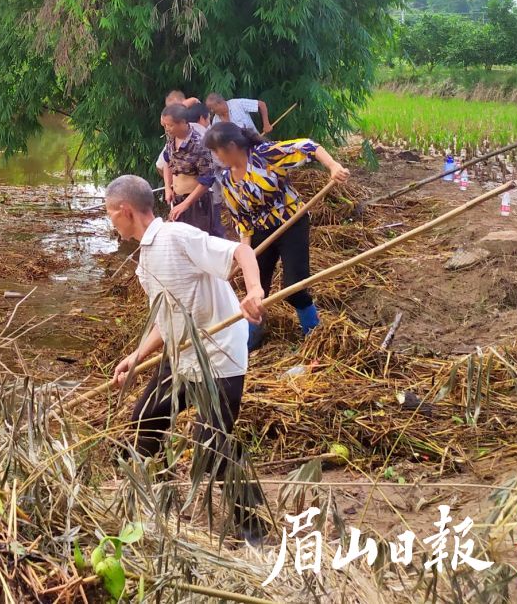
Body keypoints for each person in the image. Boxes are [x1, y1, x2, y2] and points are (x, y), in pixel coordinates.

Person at [104, 174, 267, 539]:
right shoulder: (145, 260)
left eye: (109, 215)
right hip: (182, 359)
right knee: (145, 420)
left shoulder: (176, 237)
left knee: (211, 447)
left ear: (124, 210)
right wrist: (137, 355)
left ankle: (252, 523)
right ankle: (157, 493)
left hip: (219, 357)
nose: (110, 222)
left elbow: (240, 252)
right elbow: (167, 319)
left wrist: (254, 291)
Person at [204, 123, 350, 349]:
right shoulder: (226, 179)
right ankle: (251, 337)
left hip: (291, 223)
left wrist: (333, 166)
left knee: (295, 286)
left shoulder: (265, 156)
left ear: (231, 146)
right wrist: (247, 253)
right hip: (259, 232)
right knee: (255, 288)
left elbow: (308, 146)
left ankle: (314, 333)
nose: (216, 156)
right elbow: (241, 219)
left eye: (217, 150)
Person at [160, 103, 223, 235]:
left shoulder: (199, 144)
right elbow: (167, 160)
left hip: (196, 203)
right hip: (177, 199)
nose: (167, 129)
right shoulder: (171, 138)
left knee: (197, 241)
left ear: (183, 122)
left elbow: (207, 179)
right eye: (165, 125)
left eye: (170, 125)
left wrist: (186, 204)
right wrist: (167, 187)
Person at [205, 93, 272, 135]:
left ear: (220, 103)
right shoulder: (215, 121)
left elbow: (261, 104)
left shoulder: (238, 103)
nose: (211, 111)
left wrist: (266, 124)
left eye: (212, 108)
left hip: (255, 145)